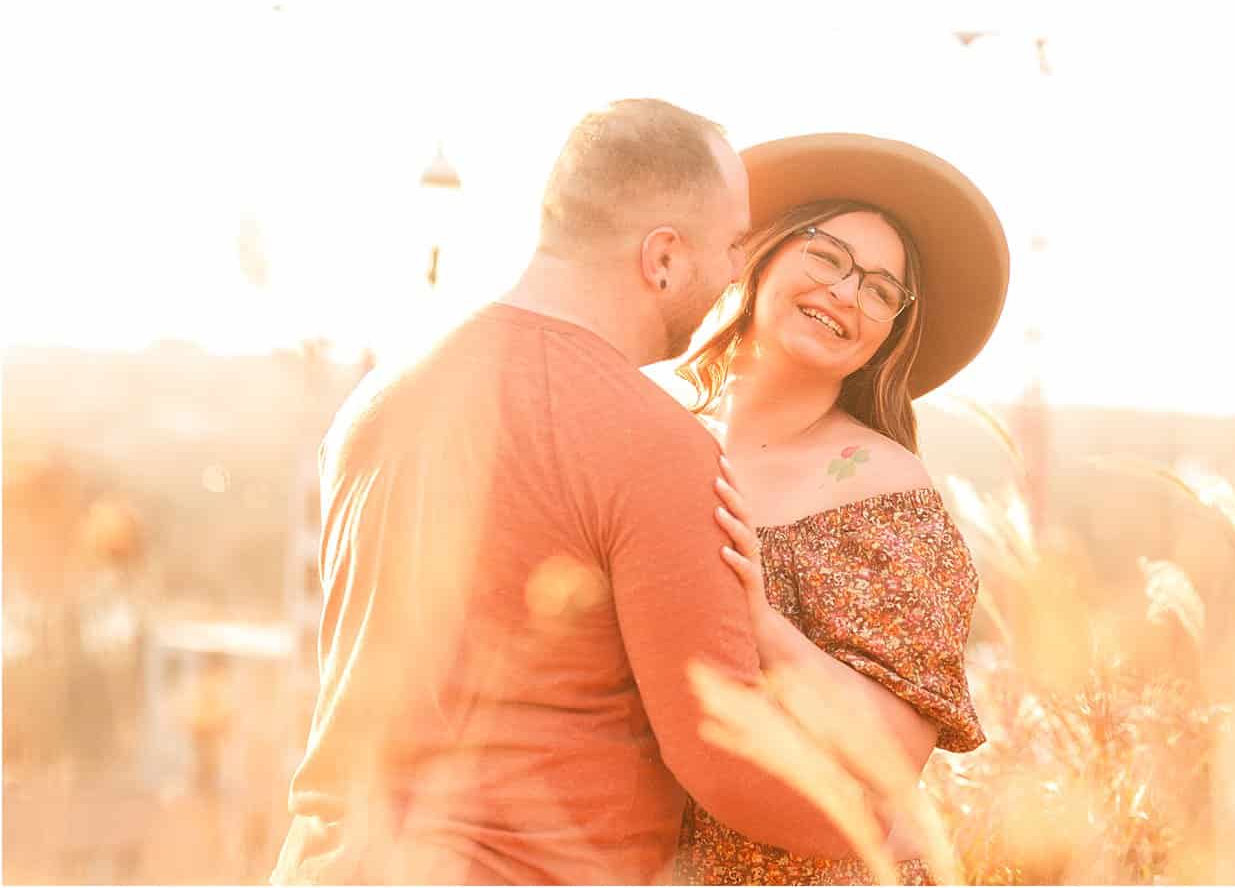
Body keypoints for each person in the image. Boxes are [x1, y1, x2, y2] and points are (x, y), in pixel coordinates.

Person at [271, 101, 868, 885]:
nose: (735, 273)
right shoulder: (654, 444)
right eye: (728, 245)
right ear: (661, 258)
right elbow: (728, 756)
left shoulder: (375, 406)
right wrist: (886, 815)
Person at [670, 133, 1011, 885]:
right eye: (827, 257)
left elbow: (892, 760)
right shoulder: (656, 438)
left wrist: (762, 625)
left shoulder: (885, 494)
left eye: (882, 290)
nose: (847, 294)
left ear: (888, 333)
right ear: (763, 256)